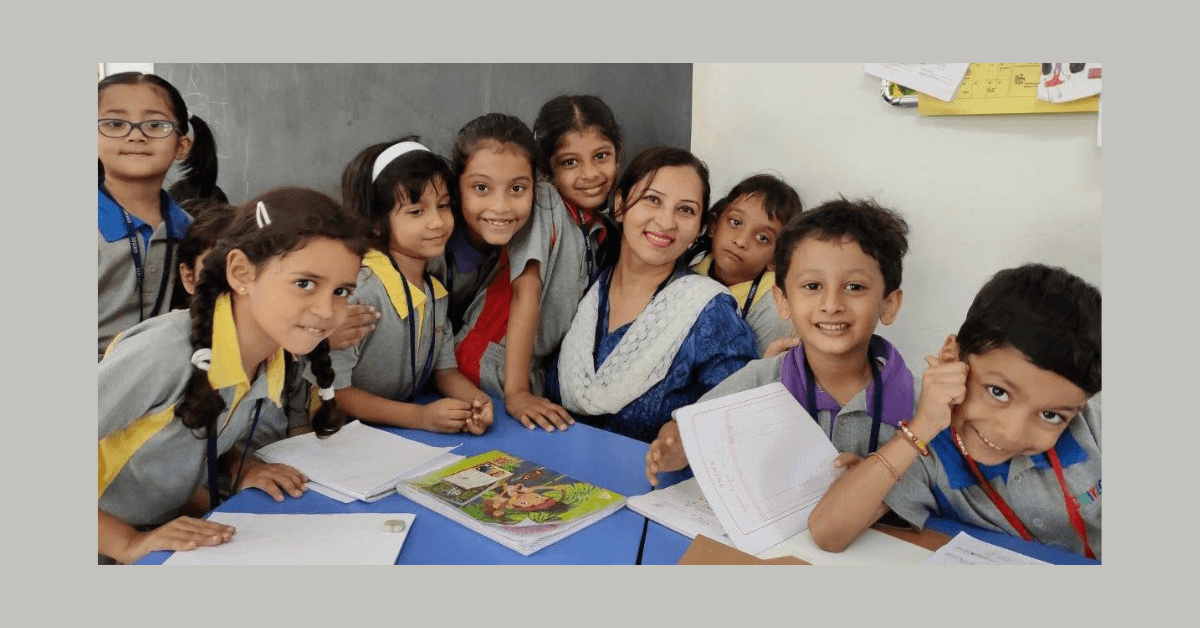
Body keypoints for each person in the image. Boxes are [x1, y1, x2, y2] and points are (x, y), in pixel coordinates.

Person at [98, 187, 369, 564]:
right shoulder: (166, 352)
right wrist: (126, 543)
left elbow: (186, 433)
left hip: (160, 537)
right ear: (242, 273)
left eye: (341, 291)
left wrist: (241, 468)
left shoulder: (270, 355)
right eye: (304, 283)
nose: (327, 311)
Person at [807, 264, 1101, 559]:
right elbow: (828, 531)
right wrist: (918, 431)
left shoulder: (1093, 427)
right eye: (998, 392)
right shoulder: (927, 450)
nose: (1011, 433)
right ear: (951, 357)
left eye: (1051, 415)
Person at [647, 198, 913, 485]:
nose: (832, 304)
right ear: (782, 300)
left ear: (888, 304)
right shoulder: (762, 378)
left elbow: (929, 500)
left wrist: (870, 481)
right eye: (813, 286)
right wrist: (674, 446)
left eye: (854, 287)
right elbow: (689, 428)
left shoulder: (919, 404)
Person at [548, 147, 758, 443]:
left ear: (699, 229)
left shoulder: (709, 312)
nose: (667, 221)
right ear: (620, 205)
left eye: (685, 210)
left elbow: (738, 422)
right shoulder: (587, 289)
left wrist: (677, 442)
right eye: (652, 200)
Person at [428, 113, 587, 432]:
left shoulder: (535, 218)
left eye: (517, 188)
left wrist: (515, 393)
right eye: (481, 188)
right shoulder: (433, 239)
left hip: (457, 380)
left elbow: (528, 287)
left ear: (536, 184)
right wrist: (515, 393)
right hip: (428, 376)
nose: (500, 206)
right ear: (457, 190)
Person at [332, 136, 494, 434]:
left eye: (443, 206)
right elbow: (338, 394)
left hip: (394, 435)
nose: (437, 222)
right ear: (377, 223)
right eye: (416, 212)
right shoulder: (362, 290)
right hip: (342, 438)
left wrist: (476, 401)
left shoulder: (434, 290)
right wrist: (420, 418)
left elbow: (444, 371)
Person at [98, 71, 218, 360]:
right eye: (115, 123)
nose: (136, 135)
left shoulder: (190, 230)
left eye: (155, 124)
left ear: (181, 146)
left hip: (162, 386)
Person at [691, 174, 803, 357]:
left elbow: (753, 376)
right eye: (735, 222)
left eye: (762, 238)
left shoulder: (774, 309)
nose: (741, 241)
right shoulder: (690, 273)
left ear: (776, 259)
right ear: (713, 225)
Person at [533, 94, 623, 285]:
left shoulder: (607, 230)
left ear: (618, 156)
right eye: (570, 162)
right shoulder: (545, 205)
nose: (590, 174)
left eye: (600, 156)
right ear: (547, 170)